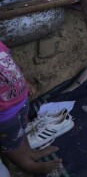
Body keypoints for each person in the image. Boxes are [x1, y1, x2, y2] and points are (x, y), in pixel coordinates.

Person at [0, 41, 62, 174]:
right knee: (12, 144)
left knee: (21, 130)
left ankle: (30, 153)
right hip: (4, 115)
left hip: (20, 100)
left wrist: (25, 82)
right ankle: (30, 166)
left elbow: (10, 66)